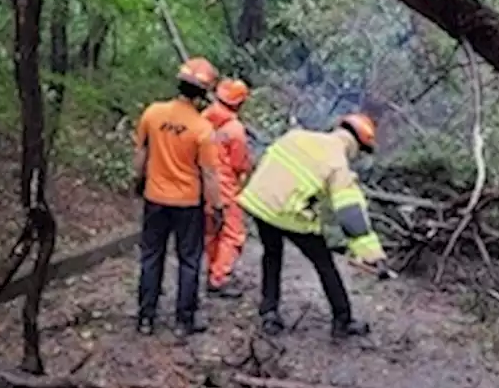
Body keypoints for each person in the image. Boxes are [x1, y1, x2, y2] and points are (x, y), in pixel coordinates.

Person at [238, 113, 387, 339]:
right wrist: (372, 254)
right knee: (324, 263)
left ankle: (269, 312)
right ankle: (342, 320)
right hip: (290, 216)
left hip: (260, 204)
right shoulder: (338, 165)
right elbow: (350, 214)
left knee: (271, 254)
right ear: (356, 145)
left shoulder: (296, 137)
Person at [133, 57, 223, 336]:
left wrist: (139, 180)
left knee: (151, 256)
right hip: (187, 203)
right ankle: (184, 321)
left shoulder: (153, 113)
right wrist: (216, 207)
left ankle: (146, 318)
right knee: (189, 260)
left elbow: (141, 154)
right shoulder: (202, 129)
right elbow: (209, 174)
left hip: (155, 198)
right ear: (204, 94)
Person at [203, 78, 253, 298]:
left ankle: (212, 269)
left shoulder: (203, 119)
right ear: (240, 103)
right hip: (225, 187)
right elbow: (239, 164)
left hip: (203, 184)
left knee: (211, 231)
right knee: (233, 234)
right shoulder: (235, 130)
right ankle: (219, 278)